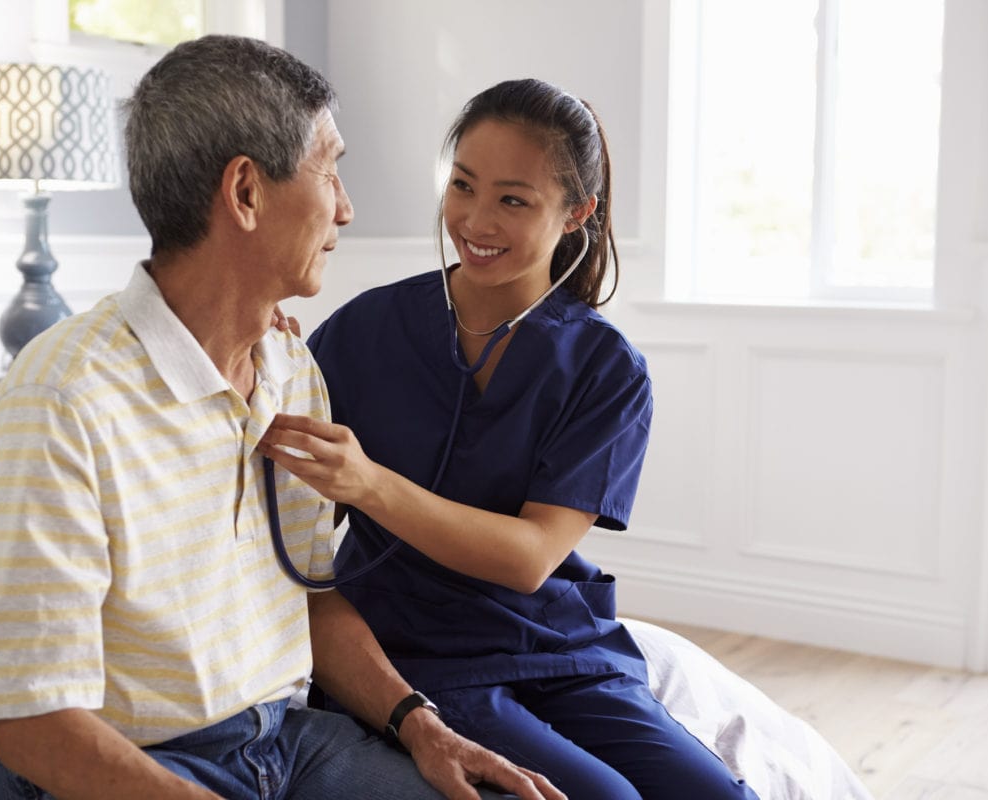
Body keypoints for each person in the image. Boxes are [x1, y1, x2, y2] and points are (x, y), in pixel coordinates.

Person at [0, 37, 564, 800]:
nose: (346, 207)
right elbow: (30, 723)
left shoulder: (291, 370)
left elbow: (306, 596)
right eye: (330, 170)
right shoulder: (62, 398)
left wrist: (420, 724)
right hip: (126, 765)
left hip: (281, 741)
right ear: (246, 192)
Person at [259, 79, 760, 799]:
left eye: (513, 200)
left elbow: (529, 559)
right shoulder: (367, 331)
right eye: (462, 185)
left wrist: (371, 484)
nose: (474, 219)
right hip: (414, 649)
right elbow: (285, 505)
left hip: (556, 646)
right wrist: (265, 362)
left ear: (577, 213)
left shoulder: (606, 368)